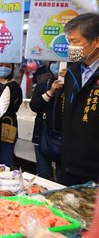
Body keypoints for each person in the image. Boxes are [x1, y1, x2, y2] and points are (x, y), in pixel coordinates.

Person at [58, 13, 99, 186]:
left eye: (75, 42)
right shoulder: (72, 73)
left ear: (96, 42)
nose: (71, 48)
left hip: (94, 169)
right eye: (69, 42)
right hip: (68, 164)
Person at [29, 62, 64, 180]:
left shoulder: (74, 86)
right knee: (43, 175)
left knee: (62, 177)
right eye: (55, 63)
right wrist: (50, 93)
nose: (58, 66)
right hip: (42, 136)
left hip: (65, 140)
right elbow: (34, 106)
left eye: (63, 63)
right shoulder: (43, 85)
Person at [0, 63, 22, 168]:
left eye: (7, 66)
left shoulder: (14, 86)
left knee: (5, 162)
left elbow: (14, 107)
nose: (3, 68)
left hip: (7, 127)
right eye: (0, 65)